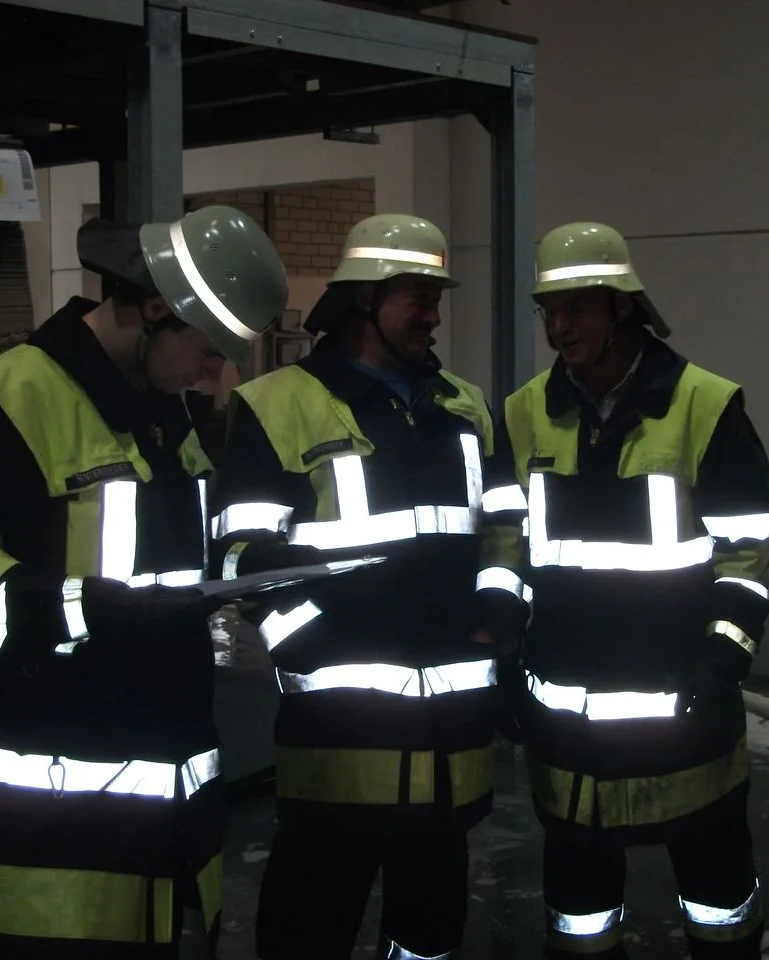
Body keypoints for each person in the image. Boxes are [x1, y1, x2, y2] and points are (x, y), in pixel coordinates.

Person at [0, 205, 289, 959]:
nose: (215, 375)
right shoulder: (9, 399)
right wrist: (78, 609)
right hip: (55, 817)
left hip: (172, 801)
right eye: (208, 350)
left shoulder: (165, 415)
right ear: (156, 310)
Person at [209, 214, 527, 960]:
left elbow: (506, 529)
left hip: (452, 740)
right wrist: (308, 646)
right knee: (307, 932)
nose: (432, 315)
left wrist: (500, 608)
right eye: (417, 296)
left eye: (435, 298)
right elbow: (242, 554)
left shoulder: (466, 407)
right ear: (363, 299)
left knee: (430, 935)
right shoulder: (276, 404)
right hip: (338, 743)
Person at [500, 222, 769, 958]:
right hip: (568, 735)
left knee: (719, 914)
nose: (560, 329)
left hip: (686, 723)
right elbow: (508, 547)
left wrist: (725, 658)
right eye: (548, 311)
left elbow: (745, 553)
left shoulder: (705, 405)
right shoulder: (523, 412)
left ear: (622, 306)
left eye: (577, 309)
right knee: (581, 927)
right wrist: (505, 648)